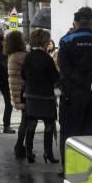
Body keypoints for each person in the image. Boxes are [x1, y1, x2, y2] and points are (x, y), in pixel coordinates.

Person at [58, 7, 92, 163]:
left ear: (75, 23)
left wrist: (85, 82)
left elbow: (66, 71)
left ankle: (70, 170)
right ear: (91, 23)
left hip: (73, 96)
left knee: (70, 133)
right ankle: (90, 167)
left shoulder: (66, 41)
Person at [22, 28, 61, 164]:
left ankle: (29, 152)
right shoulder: (46, 58)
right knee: (49, 125)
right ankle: (48, 153)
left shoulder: (28, 57)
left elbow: (23, 75)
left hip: (31, 95)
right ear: (44, 42)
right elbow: (55, 77)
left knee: (31, 124)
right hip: (46, 96)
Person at [5, 30, 30, 160]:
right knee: (26, 121)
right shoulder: (21, 55)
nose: (24, 40)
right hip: (23, 93)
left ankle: (20, 146)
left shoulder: (11, 55)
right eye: (22, 38)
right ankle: (20, 146)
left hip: (17, 93)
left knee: (25, 120)